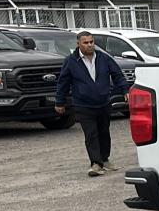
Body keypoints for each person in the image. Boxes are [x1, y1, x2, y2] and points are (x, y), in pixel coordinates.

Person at [55, 31, 130, 177]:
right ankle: (95, 164)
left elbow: (117, 74)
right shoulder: (71, 61)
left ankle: (104, 159)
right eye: (86, 42)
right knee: (91, 134)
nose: (89, 45)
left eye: (91, 42)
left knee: (104, 132)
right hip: (83, 105)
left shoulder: (104, 58)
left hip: (103, 102)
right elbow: (63, 82)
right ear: (78, 44)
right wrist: (60, 101)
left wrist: (125, 90)